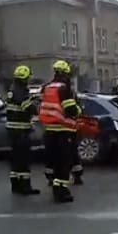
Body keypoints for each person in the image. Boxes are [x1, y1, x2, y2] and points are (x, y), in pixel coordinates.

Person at [39, 60, 82, 203]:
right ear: (65, 73)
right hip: (64, 129)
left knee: (54, 160)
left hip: (49, 130)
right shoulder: (64, 89)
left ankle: (56, 187)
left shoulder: (46, 87)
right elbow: (70, 109)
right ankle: (61, 192)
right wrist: (79, 110)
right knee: (64, 162)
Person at [0, 65, 40, 195]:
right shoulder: (21, 91)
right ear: (24, 78)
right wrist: (35, 106)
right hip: (21, 130)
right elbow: (27, 108)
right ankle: (25, 186)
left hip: (12, 129)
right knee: (23, 159)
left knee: (15, 159)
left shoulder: (12, 89)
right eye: (28, 78)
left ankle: (16, 185)